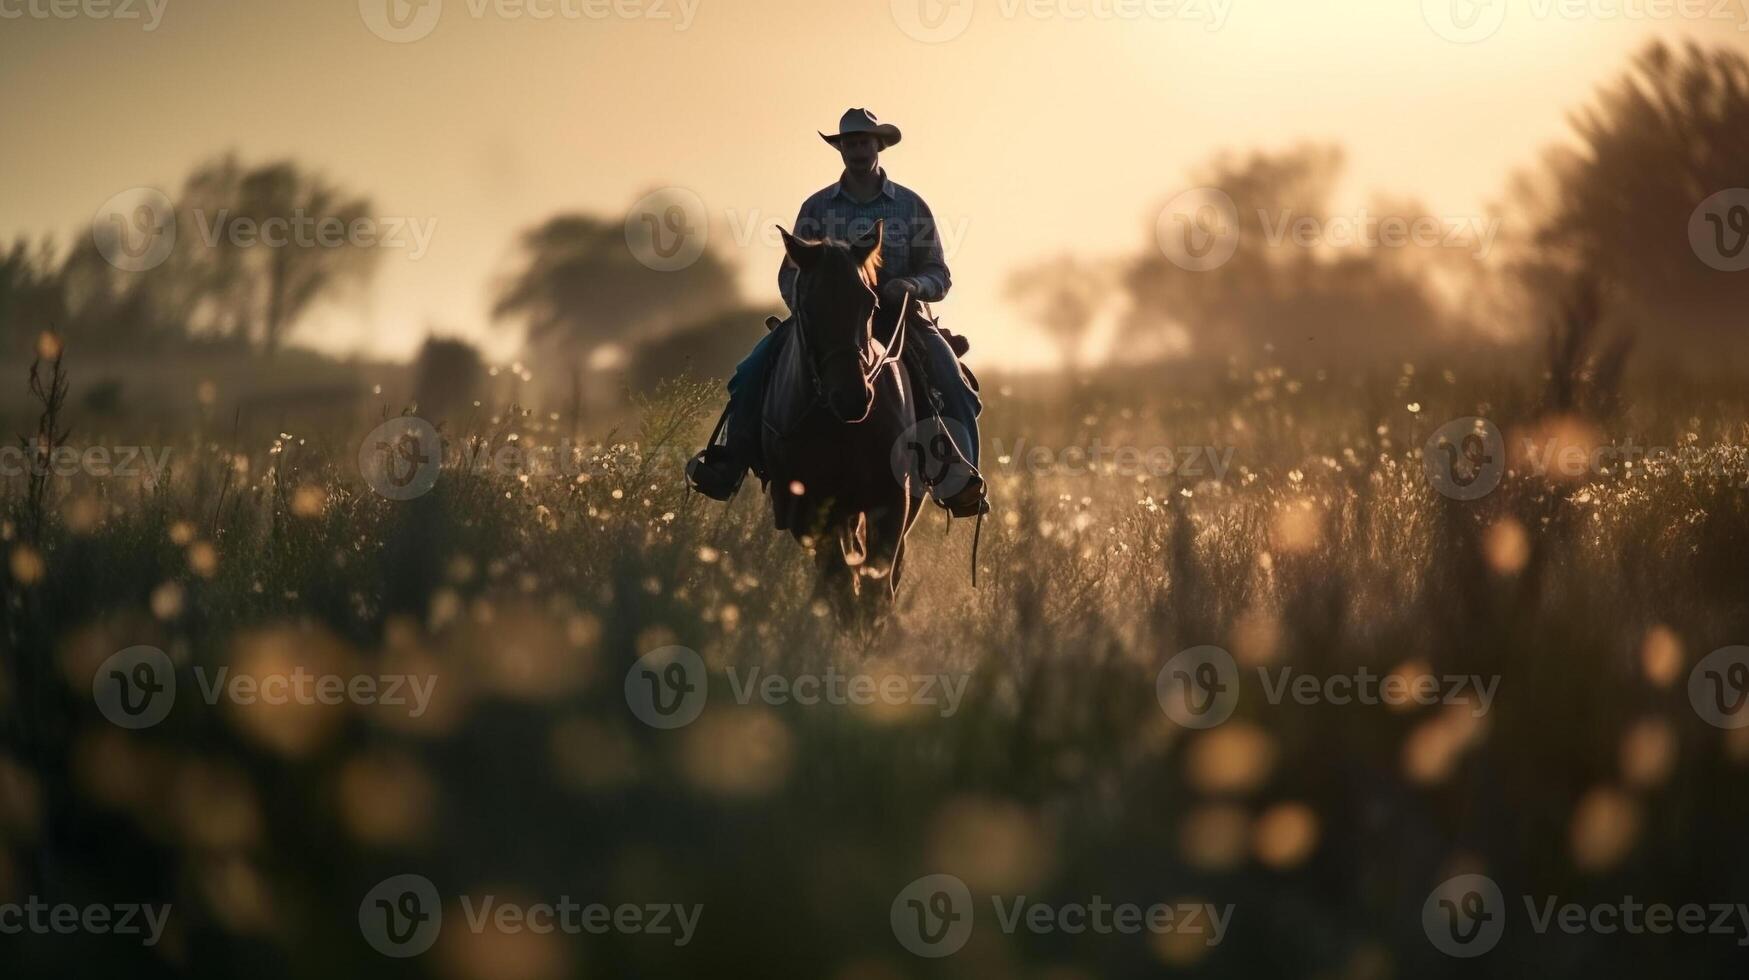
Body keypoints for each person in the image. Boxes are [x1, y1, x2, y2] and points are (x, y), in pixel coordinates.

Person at [685, 108, 987, 517]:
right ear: (840, 149)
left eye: (864, 141)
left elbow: (938, 272)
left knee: (952, 382)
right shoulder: (817, 207)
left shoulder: (911, 206)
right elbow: (791, 272)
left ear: (878, 146)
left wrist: (912, 286)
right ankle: (730, 464)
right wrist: (809, 310)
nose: (857, 149)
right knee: (749, 373)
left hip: (898, 320)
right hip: (826, 324)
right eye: (849, 142)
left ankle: (959, 481)